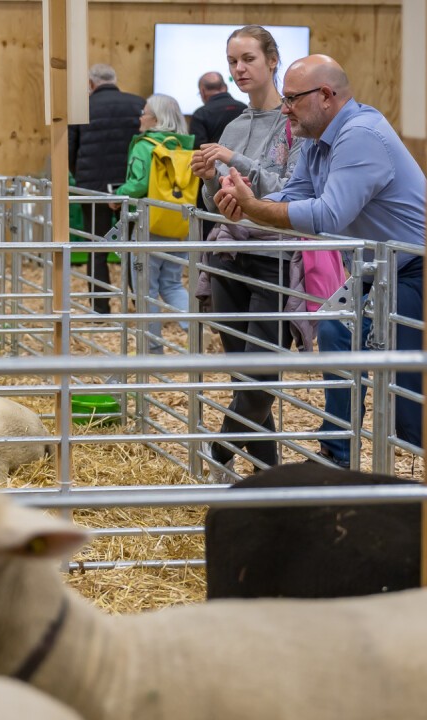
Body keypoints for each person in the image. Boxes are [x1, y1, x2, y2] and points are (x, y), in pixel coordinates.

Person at [213, 54, 427, 472]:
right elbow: (295, 195)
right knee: (337, 331)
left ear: (325, 96)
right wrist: (248, 201)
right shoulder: (317, 143)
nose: (284, 109)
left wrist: (256, 210)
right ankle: (338, 452)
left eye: (292, 99)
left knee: (417, 392)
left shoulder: (359, 135)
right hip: (381, 264)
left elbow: (327, 216)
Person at [189, 26, 303, 478]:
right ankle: (268, 478)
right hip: (228, 256)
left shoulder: (294, 124)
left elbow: (292, 191)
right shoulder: (234, 124)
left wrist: (236, 161)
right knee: (246, 376)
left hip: (275, 257)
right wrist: (205, 177)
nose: (239, 69)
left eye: (249, 59)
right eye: (233, 60)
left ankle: (217, 454)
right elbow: (211, 205)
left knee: (260, 377)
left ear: (273, 60)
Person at [109, 94, 195, 354]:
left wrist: (117, 196)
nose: (141, 117)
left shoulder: (144, 146)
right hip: (177, 225)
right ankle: (196, 327)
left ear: (156, 119)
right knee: (172, 284)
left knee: (145, 290)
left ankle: (153, 350)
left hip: (149, 225)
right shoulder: (183, 146)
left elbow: (137, 185)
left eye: (144, 112)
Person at [68, 64, 145, 314]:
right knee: (135, 248)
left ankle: (100, 309)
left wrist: (81, 177)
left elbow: (70, 149)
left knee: (97, 248)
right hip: (133, 188)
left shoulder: (81, 107)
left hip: (95, 189)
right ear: (115, 79)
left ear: (90, 84)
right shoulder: (138, 103)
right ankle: (140, 305)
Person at [189, 72, 246, 246]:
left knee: (209, 225)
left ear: (203, 91)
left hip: (213, 181)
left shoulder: (201, 113)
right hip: (244, 179)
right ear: (225, 87)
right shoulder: (243, 109)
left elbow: (198, 151)